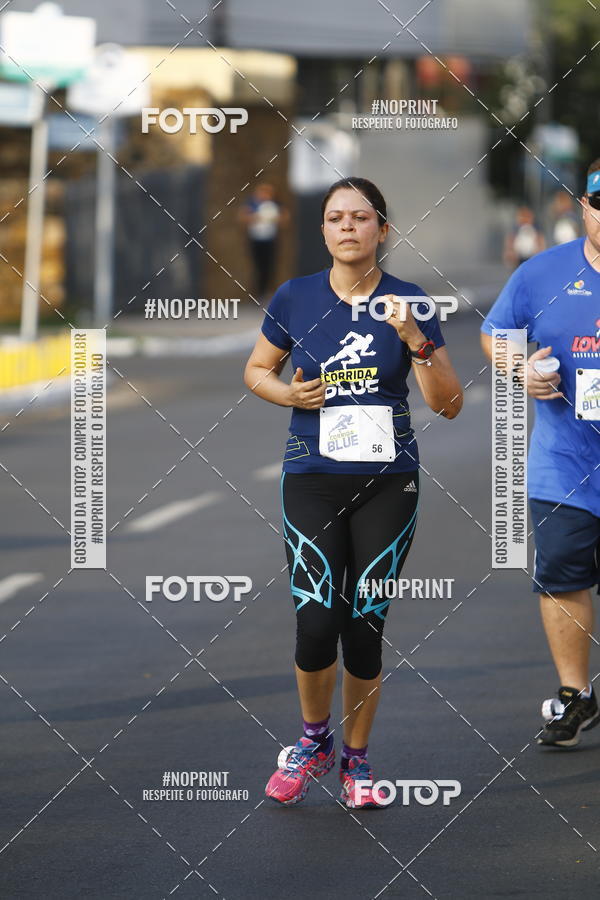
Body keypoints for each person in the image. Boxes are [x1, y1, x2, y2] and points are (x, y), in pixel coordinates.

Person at [243, 176, 463, 807]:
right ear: (323, 231)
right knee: (316, 622)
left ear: (381, 230)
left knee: (365, 624)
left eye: (360, 218)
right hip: (310, 479)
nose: (347, 227)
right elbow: (257, 369)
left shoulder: (411, 301)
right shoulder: (295, 296)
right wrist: (288, 393)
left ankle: (357, 762)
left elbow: (449, 405)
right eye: (335, 218)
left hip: (387, 484)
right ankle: (313, 741)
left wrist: (416, 341)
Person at [480, 159, 600, 748]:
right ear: (584, 205)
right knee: (562, 577)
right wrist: (518, 368)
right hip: (564, 464)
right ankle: (576, 694)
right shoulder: (541, 272)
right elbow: (496, 334)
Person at [239, 182, 288, 299]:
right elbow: (242, 216)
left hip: (270, 240)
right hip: (256, 240)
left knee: (270, 266)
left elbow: (285, 218)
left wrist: (275, 218)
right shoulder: (252, 203)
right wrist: (256, 217)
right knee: (257, 266)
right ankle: (258, 292)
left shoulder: (275, 204)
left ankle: (268, 292)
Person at [503, 205, 545, 269]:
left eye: (527, 217)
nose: (525, 219)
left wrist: (539, 253)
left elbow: (540, 241)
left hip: (532, 257)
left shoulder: (535, 229)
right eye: (522, 217)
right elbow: (510, 241)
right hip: (519, 257)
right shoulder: (515, 229)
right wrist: (510, 253)